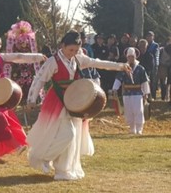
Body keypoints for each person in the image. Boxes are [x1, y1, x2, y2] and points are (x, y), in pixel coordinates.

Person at [26, 31, 131, 181]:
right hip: (57, 100)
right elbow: (39, 80)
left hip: (75, 101)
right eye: (70, 50)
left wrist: (121, 66)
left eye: (76, 50)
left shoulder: (78, 59)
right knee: (67, 134)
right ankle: (44, 157)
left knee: (72, 136)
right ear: (63, 46)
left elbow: (98, 63)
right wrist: (31, 99)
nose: (73, 53)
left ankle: (63, 170)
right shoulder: (53, 61)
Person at [112, 47, 150, 135]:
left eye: (132, 56)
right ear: (127, 57)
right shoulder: (124, 68)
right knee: (128, 111)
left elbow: (144, 81)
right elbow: (118, 79)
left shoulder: (140, 69)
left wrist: (146, 93)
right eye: (129, 57)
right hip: (126, 93)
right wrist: (114, 89)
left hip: (137, 93)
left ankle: (139, 128)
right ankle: (132, 128)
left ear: (135, 57)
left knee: (138, 110)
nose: (130, 58)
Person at [145, 31, 160, 100]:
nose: (149, 37)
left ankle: (153, 96)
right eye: (148, 36)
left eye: (150, 36)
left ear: (153, 37)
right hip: (146, 64)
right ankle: (147, 95)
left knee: (153, 81)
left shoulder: (156, 45)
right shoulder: (145, 44)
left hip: (154, 65)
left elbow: (155, 55)